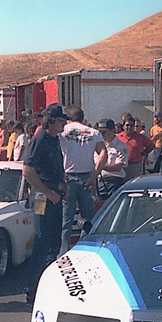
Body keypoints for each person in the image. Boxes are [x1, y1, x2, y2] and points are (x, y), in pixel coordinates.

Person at [23, 104, 68, 305]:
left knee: (53, 242)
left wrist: (61, 185)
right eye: (60, 120)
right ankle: (32, 290)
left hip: (54, 193)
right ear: (50, 121)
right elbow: (28, 171)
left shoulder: (54, 139)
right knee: (41, 241)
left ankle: (47, 286)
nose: (63, 123)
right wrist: (48, 192)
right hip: (43, 197)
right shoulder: (39, 140)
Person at [60, 106, 107, 255]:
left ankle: (63, 252)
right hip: (87, 176)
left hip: (67, 176)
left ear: (69, 118)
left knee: (66, 219)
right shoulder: (94, 132)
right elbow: (103, 153)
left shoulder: (63, 131)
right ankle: (87, 248)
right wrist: (94, 175)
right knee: (88, 218)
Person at [94, 118, 129, 199]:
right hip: (99, 182)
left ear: (113, 130)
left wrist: (101, 166)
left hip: (114, 182)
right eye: (100, 132)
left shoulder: (121, 146)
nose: (102, 134)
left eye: (104, 132)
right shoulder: (98, 145)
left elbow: (118, 166)